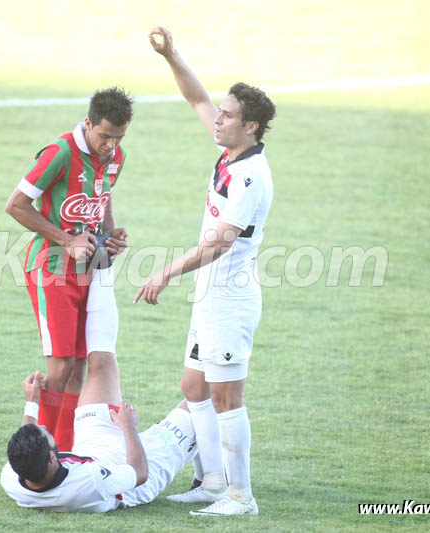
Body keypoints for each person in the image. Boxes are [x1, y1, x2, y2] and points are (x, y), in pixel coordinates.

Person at [134, 26, 277, 516]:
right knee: (194, 388)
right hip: (209, 295)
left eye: (229, 115)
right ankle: (213, 480)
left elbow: (220, 242)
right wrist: (171, 55)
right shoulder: (229, 154)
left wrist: (166, 272)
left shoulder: (251, 176)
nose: (218, 118)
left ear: (251, 126)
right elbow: (196, 98)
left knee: (226, 397)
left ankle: (241, 496)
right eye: (222, 111)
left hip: (229, 298)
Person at [5, 88, 132, 452]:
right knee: (60, 369)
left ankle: (63, 452)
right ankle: (38, 456)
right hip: (51, 268)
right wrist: (67, 239)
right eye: (104, 135)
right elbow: (16, 205)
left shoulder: (116, 156)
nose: (110, 145)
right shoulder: (60, 152)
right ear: (88, 123)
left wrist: (110, 233)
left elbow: (103, 194)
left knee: (78, 367)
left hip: (88, 269)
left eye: (119, 137)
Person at [0, 356, 198, 512]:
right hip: (140, 467)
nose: (44, 426)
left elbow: (26, 440)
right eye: (47, 434)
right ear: (52, 458)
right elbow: (139, 473)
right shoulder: (90, 482)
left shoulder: (12, 476)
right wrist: (129, 427)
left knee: (102, 364)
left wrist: (32, 402)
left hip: (92, 447)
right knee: (199, 400)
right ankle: (210, 481)